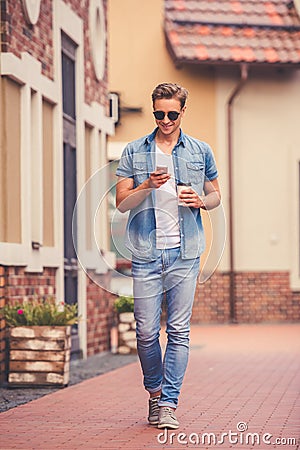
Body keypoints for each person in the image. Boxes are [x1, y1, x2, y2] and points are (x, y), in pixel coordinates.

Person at [115, 83, 221, 429]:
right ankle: (155, 393)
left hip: (185, 253)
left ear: (182, 112)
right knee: (145, 332)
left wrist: (201, 202)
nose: (165, 120)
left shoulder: (200, 151)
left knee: (178, 330)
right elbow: (122, 202)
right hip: (146, 253)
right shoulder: (134, 151)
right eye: (159, 113)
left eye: (172, 114)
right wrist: (145, 185)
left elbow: (216, 194)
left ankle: (169, 403)